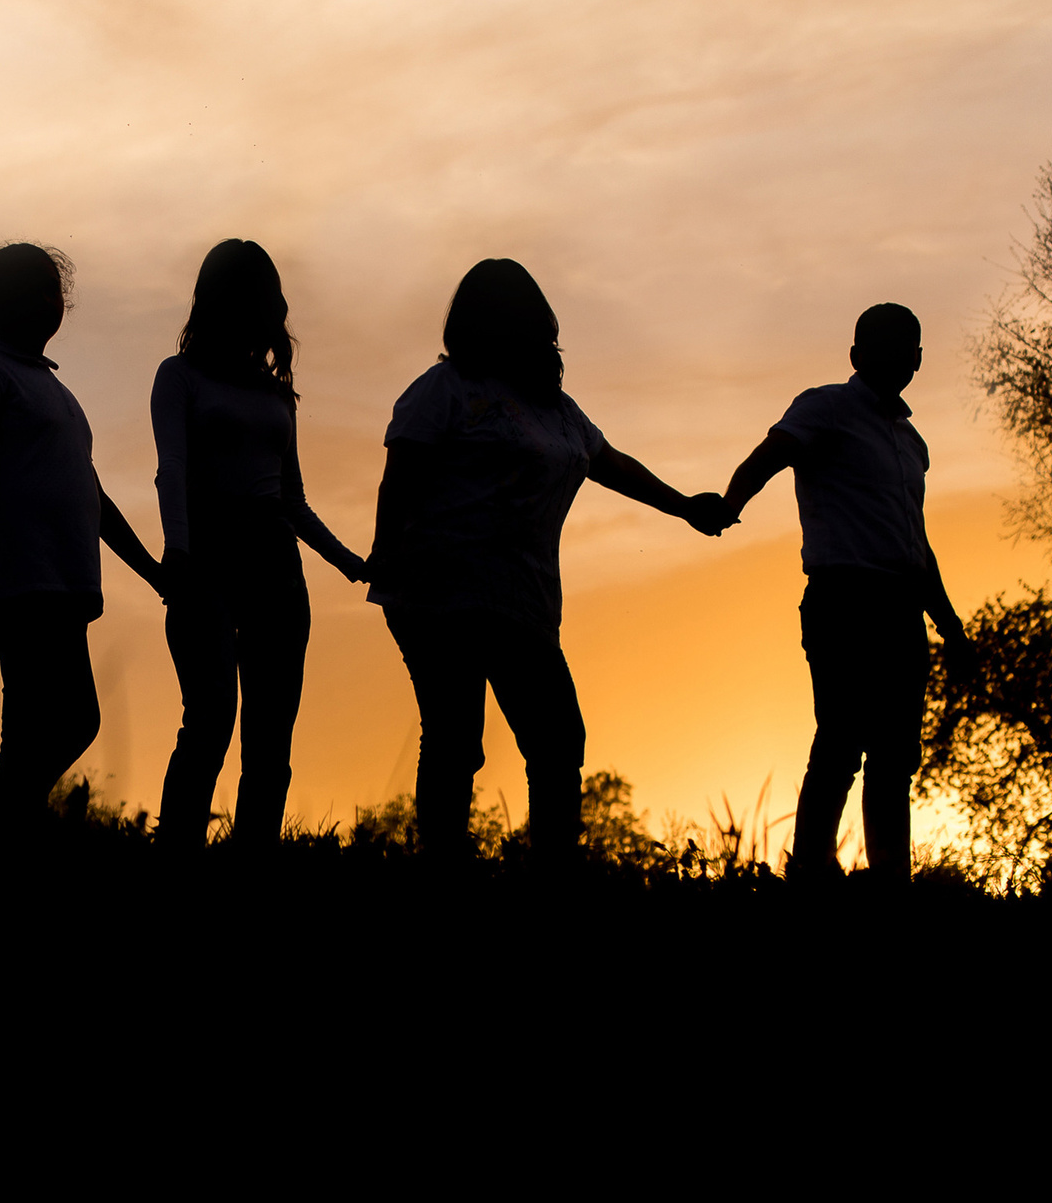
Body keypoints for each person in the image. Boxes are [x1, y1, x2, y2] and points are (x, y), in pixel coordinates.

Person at [365, 259, 724, 864]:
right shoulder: (445, 389)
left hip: (522, 600)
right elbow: (398, 476)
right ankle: (445, 866)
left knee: (557, 740)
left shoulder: (557, 410)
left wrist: (684, 506)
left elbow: (610, 463)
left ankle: (552, 871)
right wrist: (384, 554)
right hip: (438, 593)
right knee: (456, 740)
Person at [711, 302, 974, 888]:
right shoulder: (826, 406)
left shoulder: (912, 443)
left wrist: (950, 626)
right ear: (856, 356)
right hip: (843, 599)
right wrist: (731, 505)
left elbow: (916, 544)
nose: (899, 355)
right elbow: (771, 455)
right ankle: (810, 872)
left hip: (902, 609)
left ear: (919, 358)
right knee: (842, 740)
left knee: (896, 756)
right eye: (884, 344)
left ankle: (889, 882)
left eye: (908, 344)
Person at [0, 243, 166, 824]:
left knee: (54, 722)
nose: (50, 302)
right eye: (36, 290)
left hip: (61, 577)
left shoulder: (57, 394)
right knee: (62, 718)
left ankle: (9, 817)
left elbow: (92, 497)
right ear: (1, 304)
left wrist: (153, 571)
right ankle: (7, 818)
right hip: (19, 574)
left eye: (53, 291)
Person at [150, 240, 365, 849]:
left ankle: (254, 864)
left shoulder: (275, 394)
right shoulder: (179, 376)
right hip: (206, 561)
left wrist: (351, 563)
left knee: (270, 740)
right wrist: (181, 554)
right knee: (212, 718)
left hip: (275, 566)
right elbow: (173, 469)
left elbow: (291, 500)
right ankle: (177, 849)